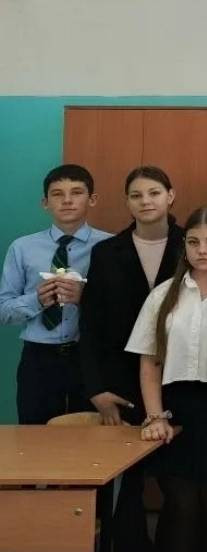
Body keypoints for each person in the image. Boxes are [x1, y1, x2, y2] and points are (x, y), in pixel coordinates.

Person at [126, 206, 207, 552]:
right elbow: (150, 363)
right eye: (194, 242)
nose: (202, 250)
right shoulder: (163, 295)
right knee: (180, 507)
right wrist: (155, 417)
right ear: (184, 245)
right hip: (176, 413)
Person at [80, 165, 185, 552]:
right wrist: (97, 389)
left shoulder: (192, 244)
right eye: (136, 195)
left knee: (180, 486)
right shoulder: (106, 252)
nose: (146, 201)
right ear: (127, 202)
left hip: (179, 381)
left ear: (170, 196)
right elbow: (90, 326)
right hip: (120, 384)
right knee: (125, 488)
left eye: (154, 193)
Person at [0, 164, 111, 423]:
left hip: (91, 357)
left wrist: (86, 298)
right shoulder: (22, 248)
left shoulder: (111, 246)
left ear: (92, 199)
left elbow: (125, 311)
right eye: (58, 194)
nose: (67, 200)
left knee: (91, 437)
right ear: (45, 203)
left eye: (77, 192)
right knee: (34, 435)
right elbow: (3, 311)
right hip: (38, 360)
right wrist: (36, 300)